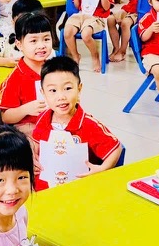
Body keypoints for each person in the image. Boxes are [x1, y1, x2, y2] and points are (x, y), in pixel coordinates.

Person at [30, 56, 122, 189]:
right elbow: (36, 144)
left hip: (78, 187)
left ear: (79, 89)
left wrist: (102, 169)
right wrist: (32, 157)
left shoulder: (89, 125)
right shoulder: (43, 117)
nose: (61, 97)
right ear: (43, 93)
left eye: (68, 88)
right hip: (44, 187)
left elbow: (116, 148)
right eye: (53, 91)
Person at [0, 11, 58, 134]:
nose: (41, 46)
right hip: (27, 130)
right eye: (33, 41)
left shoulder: (56, 71)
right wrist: (25, 109)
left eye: (46, 39)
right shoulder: (15, 78)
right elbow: (6, 117)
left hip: (55, 125)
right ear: (19, 44)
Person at [0, 0, 42, 69]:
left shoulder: (44, 44)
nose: (27, 26)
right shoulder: (8, 42)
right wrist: (6, 62)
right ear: (13, 22)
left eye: (32, 22)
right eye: (21, 22)